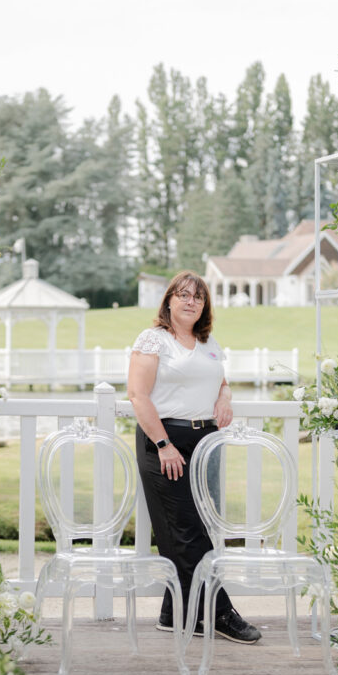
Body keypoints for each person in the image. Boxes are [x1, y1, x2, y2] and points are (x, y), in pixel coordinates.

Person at [127, 270, 261, 644]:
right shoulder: (154, 339)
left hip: (205, 444)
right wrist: (163, 444)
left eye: (198, 297)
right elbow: (138, 395)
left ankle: (173, 613)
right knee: (187, 532)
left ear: (205, 306)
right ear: (168, 300)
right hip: (166, 443)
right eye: (183, 295)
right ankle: (221, 613)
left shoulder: (206, 341)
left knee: (195, 528)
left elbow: (219, 379)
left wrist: (224, 398)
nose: (190, 302)